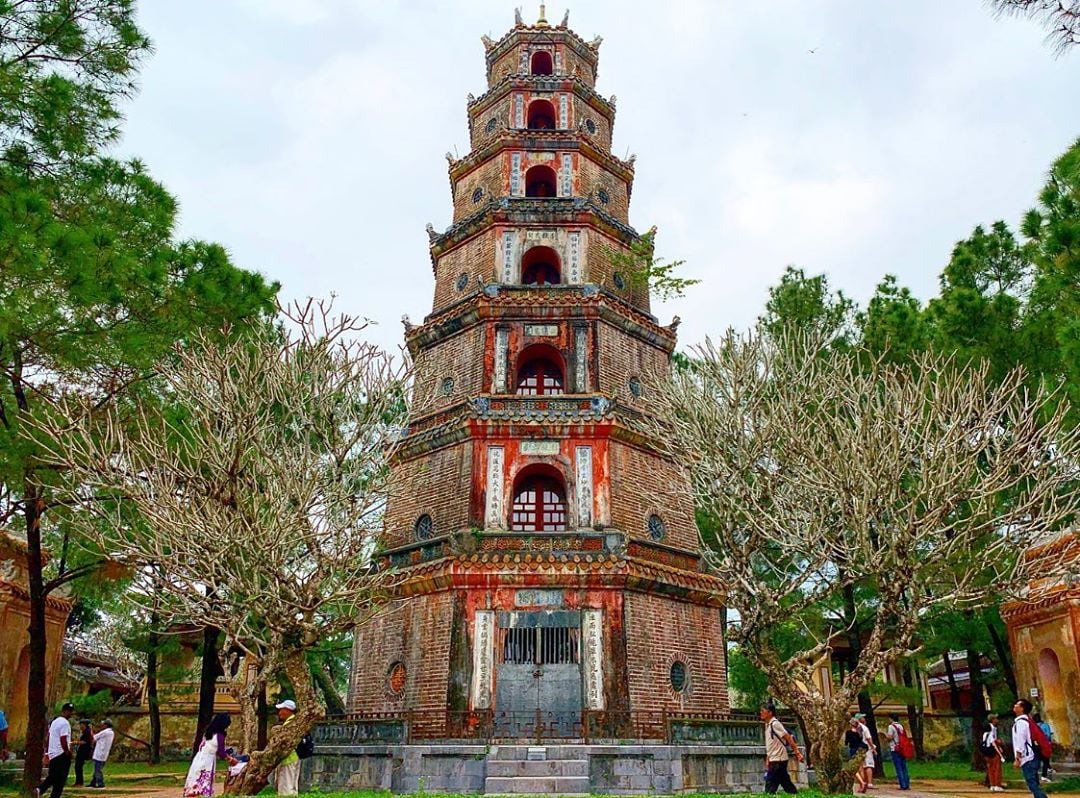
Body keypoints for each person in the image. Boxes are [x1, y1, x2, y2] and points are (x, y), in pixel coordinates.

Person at [184, 713, 238, 797]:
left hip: (199, 758)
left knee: (195, 779)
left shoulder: (208, 733)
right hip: (207, 761)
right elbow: (221, 753)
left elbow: (211, 746)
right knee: (205, 782)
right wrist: (231, 760)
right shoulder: (220, 736)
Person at [760, 702, 804, 794]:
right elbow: (770, 744)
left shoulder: (775, 724)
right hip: (774, 758)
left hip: (779, 759)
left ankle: (769, 794)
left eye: (763, 711)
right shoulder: (768, 725)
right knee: (785, 781)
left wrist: (797, 753)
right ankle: (794, 794)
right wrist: (768, 759)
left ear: (770, 713)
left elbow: (788, 737)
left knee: (771, 783)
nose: (761, 713)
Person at [36, 701, 75, 798]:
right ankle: (43, 790)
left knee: (53, 776)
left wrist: (47, 752)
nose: (70, 713)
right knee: (60, 780)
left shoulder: (55, 722)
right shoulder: (65, 723)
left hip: (53, 753)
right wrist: (67, 751)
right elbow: (63, 739)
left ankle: (41, 789)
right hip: (61, 753)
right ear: (64, 711)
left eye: (71, 711)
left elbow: (48, 737)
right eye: (69, 711)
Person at [1012, 699, 1047, 798]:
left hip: (1028, 758)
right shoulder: (1026, 721)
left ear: (1022, 708)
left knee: (1032, 784)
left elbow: (1020, 740)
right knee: (1034, 784)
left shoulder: (1021, 723)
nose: (1015, 706)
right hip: (1032, 757)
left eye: (1017, 704)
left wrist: (1018, 758)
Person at [273, 700, 300, 795]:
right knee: (292, 785)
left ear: (288, 710)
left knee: (286, 786)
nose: (279, 713)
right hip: (294, 757)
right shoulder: (295, 721)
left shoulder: (290, 723)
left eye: (281, 710)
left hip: (288, 758)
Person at [885, 713, 911, 791]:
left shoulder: (891, 726)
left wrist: (886, 738)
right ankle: (906, 784)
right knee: (904, 767)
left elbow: (890, 737)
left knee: (898, 767)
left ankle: (902, 784)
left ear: (891, 718)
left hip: (895, 748)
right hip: (902, 748)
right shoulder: (901, 726)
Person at [89, 719, 114, 789]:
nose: (101, 726)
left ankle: (100, 784)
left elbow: (93, 737)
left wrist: (90, 730)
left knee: (98, 769)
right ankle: (93, 783)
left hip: (99, 753)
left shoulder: (105, 732)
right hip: (104, 753)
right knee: (97, 769)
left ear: (106, 725)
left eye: (103, 724)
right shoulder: (111, 732)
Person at [845, 717, 868, 793]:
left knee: (853, 769)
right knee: (861, 767)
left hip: (853, 750)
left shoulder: (848, 732)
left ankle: (862, 782)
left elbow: (846, 742)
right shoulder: (859, 732)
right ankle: (862, 785)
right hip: (860, 750)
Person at [856, 713, 878, 791]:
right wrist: (873, 748)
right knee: (869, 765)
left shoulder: (855, 727)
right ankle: (869, 783)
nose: (864, 719)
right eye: (863, 717)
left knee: (860, 766)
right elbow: (869, 738)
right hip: (866, 748)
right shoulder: (864, 728)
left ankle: (862, 782)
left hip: (858, 748)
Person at [983, 716, 1005, 792]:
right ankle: (997, 784)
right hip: (994, 752)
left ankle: (992, 784)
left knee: (990, 769)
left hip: (986, 752)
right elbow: (994, 743)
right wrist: (1000, 754)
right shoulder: (992, 732)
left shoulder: (984, 734)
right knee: (997, 769)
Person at [1033, 713, 1053, 782]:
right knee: (1046, 760)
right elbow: (1048, 735)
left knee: (1037, 761)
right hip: (1044, 745)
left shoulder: (1033, 726)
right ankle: (1044, 776)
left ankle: (1035, 776)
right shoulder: (1045, 725)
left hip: (1036, 746)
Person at [73, 719, 93, 786]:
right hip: (81, 751)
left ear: (84, 724)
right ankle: (78, 781)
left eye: (81, 724)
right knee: (78, 767)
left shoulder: (87, 732)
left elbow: (85, 741)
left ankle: (79, 782)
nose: (80, 726)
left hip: (83, 751)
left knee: (78, 766)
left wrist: (76, 742)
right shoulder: (84, 732)